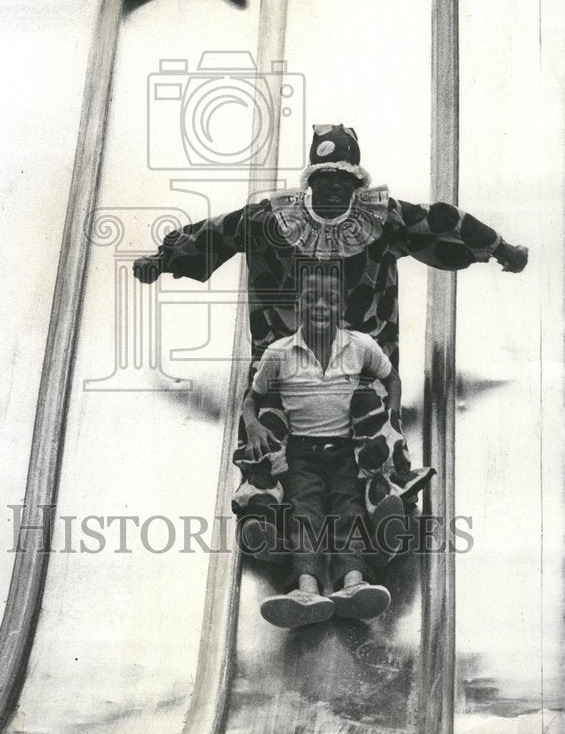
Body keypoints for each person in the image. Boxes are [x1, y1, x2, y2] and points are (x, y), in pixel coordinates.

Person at [132, 123, 529, 549]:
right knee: (270, 422)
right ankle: (262, 510)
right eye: (325, 180)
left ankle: (387, 504)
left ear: (358, 185)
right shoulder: (271, 221)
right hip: (288, 363)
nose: (335, 190)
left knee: (373, 421)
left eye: (345, 181)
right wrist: (164, 257)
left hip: (359, 365)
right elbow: (218, 231)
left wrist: (498, 247)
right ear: (311, 181)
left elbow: (439, 222)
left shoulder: (383, 220)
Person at [245, 265, 398, 627]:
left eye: (329, 300)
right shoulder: (279, 354)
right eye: (311, 298)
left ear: (340, 307)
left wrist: (392, 416)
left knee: (350, 508)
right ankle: (306, 589)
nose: (320, 306)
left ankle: (353, 584)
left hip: (346, 450)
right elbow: (252, 398)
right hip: (301, 452)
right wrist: (251, 424)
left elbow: (391, 377)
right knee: (305, 512)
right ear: (298, 304)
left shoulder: (360, 346)